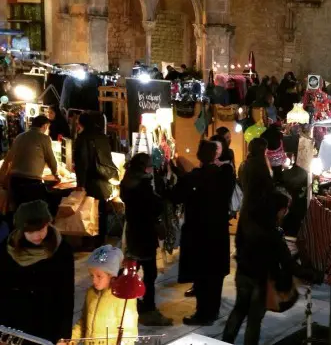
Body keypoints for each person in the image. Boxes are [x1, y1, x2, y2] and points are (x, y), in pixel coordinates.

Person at [223, 190, 320, 345]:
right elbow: (290, 265)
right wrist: (316, 275)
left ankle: (225, 342)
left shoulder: (248, 222)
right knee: (254, 320)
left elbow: (238, 245)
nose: (286, 212)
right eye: (285, 208)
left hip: (243, 274)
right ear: (279, 209)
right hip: (262, 281)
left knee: (239, 311)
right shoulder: (273, 234)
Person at [0, 201, 74, 343]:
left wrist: (65, 334)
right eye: (31, 231)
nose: (37, 235)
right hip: (10, 323)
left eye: (41, 229)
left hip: (45, 323)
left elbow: (66, 294)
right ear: (21, 230)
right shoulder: (9, 247)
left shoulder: (61, 250)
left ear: (48, 224)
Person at [173, 140, 235, 325]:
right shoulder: (224, 176)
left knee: (201, 273)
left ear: (200, 156)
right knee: (215, 275)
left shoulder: (194, 177)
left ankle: (203, 313)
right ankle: (212, 311)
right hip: (218, 230)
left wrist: (180, 174)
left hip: (198, 232)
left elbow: (175, 196)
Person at [120, 153, 173, 326]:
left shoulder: (127, 183)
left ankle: (128, 302)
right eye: (150, 166)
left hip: (133, 232)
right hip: (145, 234)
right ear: (144, 168)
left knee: (132, 268)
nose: (152, 169)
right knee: (150, 273)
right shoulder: (143, 186)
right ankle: (148, 309)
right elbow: (154, 206)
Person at [71, 245, 139, 342]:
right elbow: (83, 322)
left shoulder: (123, 298)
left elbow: (129, 334)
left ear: (111, 275)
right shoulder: (91, 293)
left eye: (99, 276)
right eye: (92, 275)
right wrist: (71, 340)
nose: (94, 280)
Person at [74, 111, 118, 247]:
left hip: (91, 181)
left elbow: (83, 162)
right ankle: (101, 241)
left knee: (88, 212)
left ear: (82, 123)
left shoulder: (83, 138)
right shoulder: (102, 136)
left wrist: (80, 183)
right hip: (104, 180)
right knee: (102, 213)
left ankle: (88, 243)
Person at [5, 115, 60, 213]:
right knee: (32, 212)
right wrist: (56, 174)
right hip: (31, 182)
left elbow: (10, 157)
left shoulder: (19, 136)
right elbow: (51, 159)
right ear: (45, 126)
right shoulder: (44, 138)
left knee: (18, 210)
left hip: (14, 180)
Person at [239, 138, 275, 220]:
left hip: (246, 205)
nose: (267, 150)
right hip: (259, 207)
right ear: (261, 149)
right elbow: (268, 185)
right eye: (266, 148)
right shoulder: (260, 165)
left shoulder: (245, 164)